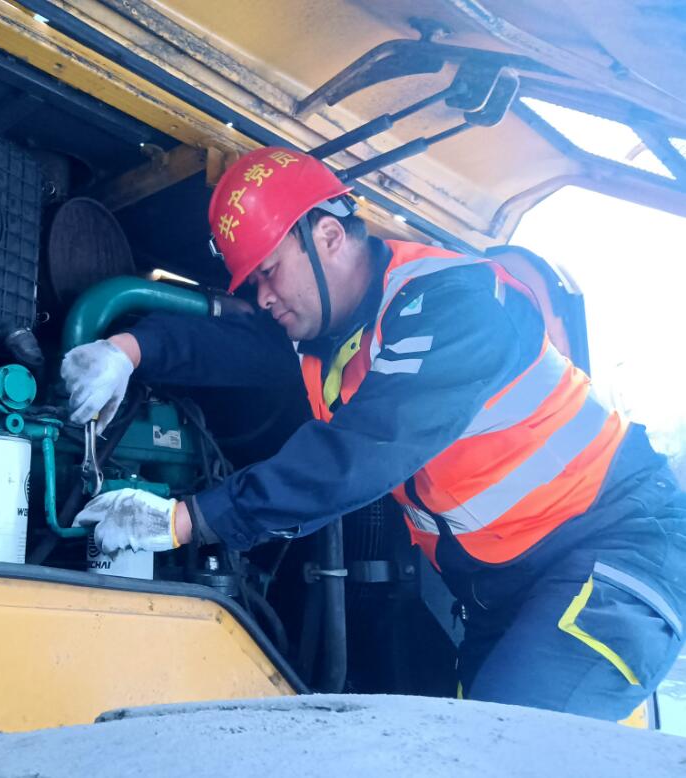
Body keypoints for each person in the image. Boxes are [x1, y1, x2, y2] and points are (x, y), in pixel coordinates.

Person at [62, 146, 686, 720]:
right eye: (254, 283)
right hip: (501, 593)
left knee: (500, 755)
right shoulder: (329, 337)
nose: (265, 295)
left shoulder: (456, 304)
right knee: (460, 750)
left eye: (270, 272)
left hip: (614, 550)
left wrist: (186, 520)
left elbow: (363, 451)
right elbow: (240, 343)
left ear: (329, 236)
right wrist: (128, 349)